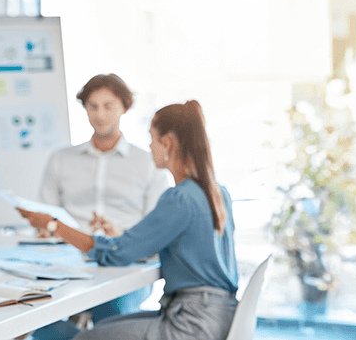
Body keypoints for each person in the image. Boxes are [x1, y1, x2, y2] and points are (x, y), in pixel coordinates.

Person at [18, 100, 239, 340]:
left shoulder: (179, 198)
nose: (149, 146)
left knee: (84, 337)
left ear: (167, 143)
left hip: (190, 324)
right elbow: (177, 244)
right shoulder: (217, 192)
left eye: (152, 138)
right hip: (217, 316)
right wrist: (123, 237)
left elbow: (116, 253)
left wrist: (54, 225)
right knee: (105, 326)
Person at [29, 74, 170, 339]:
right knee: (31, 318)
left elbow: (155, 229)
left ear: (124, 108)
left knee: (111, 321)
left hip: (125, 264)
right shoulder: (61, 160)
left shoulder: (149, 164)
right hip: (68, 261)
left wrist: (121, 233)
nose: (100, 114)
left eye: (108, 106)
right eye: (92, 106)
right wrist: (46, 228)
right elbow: (47, 214)